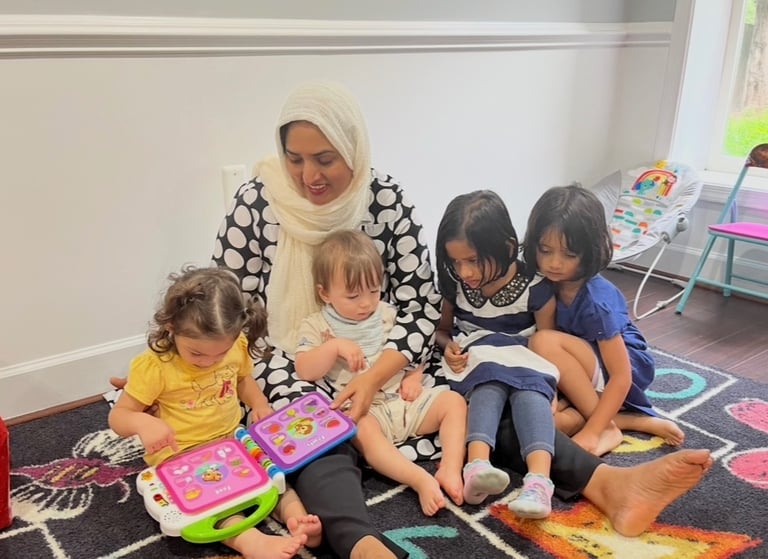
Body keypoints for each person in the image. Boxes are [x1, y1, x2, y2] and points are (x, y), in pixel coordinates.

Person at [112, 81, 712, 555]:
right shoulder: (258, 202)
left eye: (325, 158)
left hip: (391, 357)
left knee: (484, 393)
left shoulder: (384, 198)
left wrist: (382, 373)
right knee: (313, 430)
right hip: (289, 361)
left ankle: (610, 485)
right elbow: (228, 308)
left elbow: (423, 303)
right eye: (294, 159)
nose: (308, 176)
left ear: (354, 148)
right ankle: (361, 542)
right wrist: (179, 369)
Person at [107, 266, 321, 559]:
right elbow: (118, 416)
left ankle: (298, 521)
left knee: (273, 475)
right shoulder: (154, 366)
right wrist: (142, 422)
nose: (209, 362)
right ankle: (253, 543)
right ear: (171, 327)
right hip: (180, 451)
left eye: (219, 354)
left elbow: (243, 379)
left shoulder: (236, 345)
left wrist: (259, 404)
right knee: (214, 504)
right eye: (196, 353)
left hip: (232, 438)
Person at [295, 229, 467, 516]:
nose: (366, 303)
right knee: (358, 431)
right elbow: (304, 369)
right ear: (324, 293)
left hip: (405, 400)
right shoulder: (317, 325)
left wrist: (414, 375)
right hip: (367, 412)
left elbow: (415, 348)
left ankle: (451, 465)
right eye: (353, 295)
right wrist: (333, 346)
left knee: (454, 403)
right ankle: (419, 479)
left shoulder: (387, 313)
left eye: (374, 290)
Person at [523, 184, 685, 456]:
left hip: (623, 373)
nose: (554, 263)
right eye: (545, 250)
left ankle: (606, 428)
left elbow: (621, 377)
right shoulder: (544, 283)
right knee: (550, 423)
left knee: (542, 341)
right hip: (581, 365)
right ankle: (629, 421)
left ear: (589, 251)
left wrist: (593, 431)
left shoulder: (598, 302)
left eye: (568, 255)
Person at [434, 190, 559, 518]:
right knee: (488, 385)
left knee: (530, 394)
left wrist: (553, 388)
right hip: (477, 365)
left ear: (505, 248)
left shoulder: (536, 288)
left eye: (473, 261)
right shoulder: (456, 285)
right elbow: (442, 331)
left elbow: (548, 344)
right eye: (455, 262)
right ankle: (477, 467)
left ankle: (539, 484)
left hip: (525, 366)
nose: (465, 272)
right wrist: (448, 347)